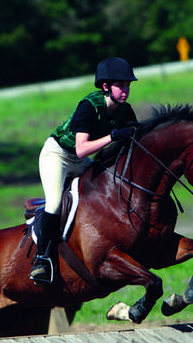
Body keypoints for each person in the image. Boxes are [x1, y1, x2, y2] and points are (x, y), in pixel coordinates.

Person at [30, 57, 139, 284]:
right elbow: (81, 150)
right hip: (58, 156)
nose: (126, 90)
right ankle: (41, 260)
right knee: (54, 203)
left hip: (80, 161)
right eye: (122, 85)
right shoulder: (88, 107)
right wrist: (112, 137)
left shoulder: (125, 111)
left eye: (128, 85)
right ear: (106, 87)